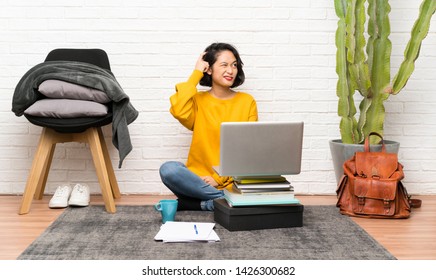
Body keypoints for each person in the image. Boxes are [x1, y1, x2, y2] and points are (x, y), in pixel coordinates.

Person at [159, 42, 258, 211]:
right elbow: (179, 110)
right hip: (197, 182)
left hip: (231, 180)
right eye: (224, 65)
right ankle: (224, 202)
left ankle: (208, 203)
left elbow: (247, 149)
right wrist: (196, 73)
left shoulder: (246, 101)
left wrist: (218, 178)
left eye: (234, 65)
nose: (231, 70)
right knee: (168, 169)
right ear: (209, 69)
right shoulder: (197, 100)